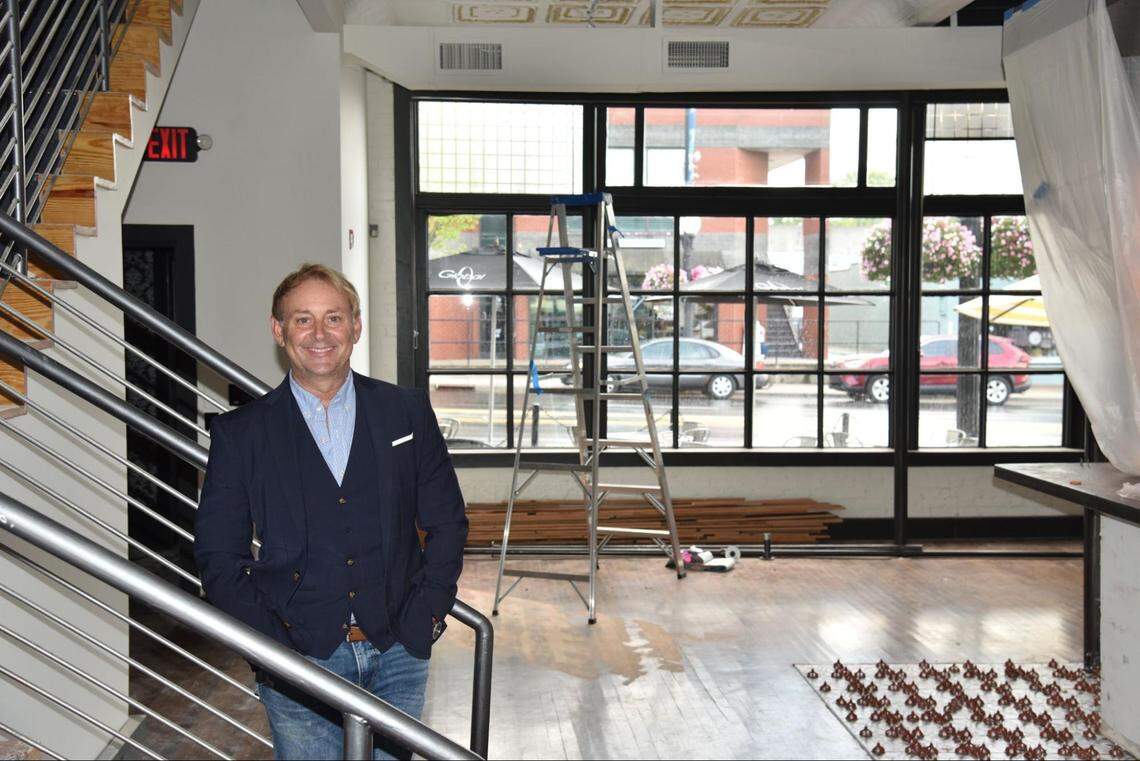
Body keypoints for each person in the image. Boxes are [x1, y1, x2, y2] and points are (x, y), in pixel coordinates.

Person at [194, 263, 468, 760]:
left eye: (334, 318)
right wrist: (271, 647)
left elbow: (448, 522)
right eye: (302, 320)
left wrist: (425, 615)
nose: (319, 334)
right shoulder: (242, 434)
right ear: (279, 331)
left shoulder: (405, 412)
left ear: (355, 327)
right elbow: (217, 555)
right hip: (297, 659)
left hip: (398, 650)